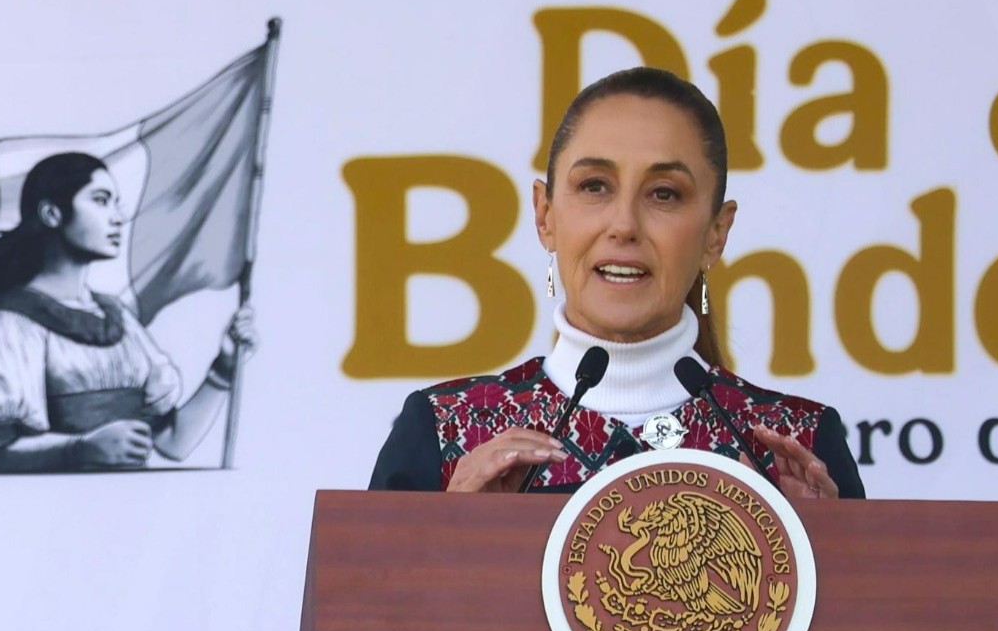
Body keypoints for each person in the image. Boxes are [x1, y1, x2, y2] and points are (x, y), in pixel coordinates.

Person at [370, 66, 864, 499]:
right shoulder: (443, 433)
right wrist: (451, 533)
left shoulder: (795, 449)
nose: (624, 225)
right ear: (545, 216)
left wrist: (819, 546)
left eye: (664, 194)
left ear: (716, 233)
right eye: (595, 186)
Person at [0, 153, 256, 472]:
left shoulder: (118, 318)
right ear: (51, 213)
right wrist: (78, 449)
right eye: (101, 201)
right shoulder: (9, 322)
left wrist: (224, 368)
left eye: (116, 203)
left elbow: (174, 443)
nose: (118, 218)